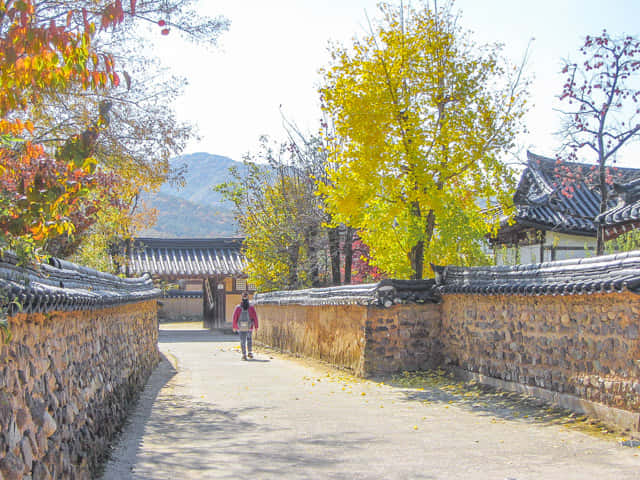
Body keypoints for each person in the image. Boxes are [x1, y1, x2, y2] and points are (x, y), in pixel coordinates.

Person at [232, 292, 259, 360]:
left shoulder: (238, 307)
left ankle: (244, 354)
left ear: (241, 298)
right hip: (249, 326)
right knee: (249, 339)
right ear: (248, 298)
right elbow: (254, 317)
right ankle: (249, 352)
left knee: (242, 340)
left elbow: (235, 317)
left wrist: (234, 326)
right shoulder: (251, 307)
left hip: (240, 327)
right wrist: (256, 326)